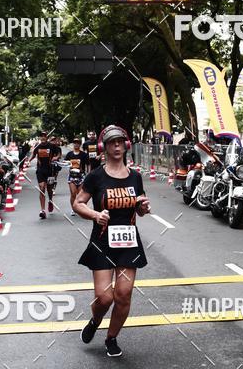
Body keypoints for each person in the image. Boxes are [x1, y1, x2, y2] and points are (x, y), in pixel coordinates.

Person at [73, 125, 151, 357]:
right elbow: (78, 203)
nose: (116, 146)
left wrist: (143, 208)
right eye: (111, 142)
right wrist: (95, 215)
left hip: (128, 242)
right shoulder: (96, 176)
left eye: (120, 142)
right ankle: (95, 320)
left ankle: (111, 338)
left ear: (126, 146)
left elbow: (140, 208)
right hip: (102, 241)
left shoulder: (135, 177)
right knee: (105, 297)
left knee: (123, 295)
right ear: (104, 147)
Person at [29, 131, 58, 219]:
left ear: (47, 137)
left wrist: (56, 157)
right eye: (41, 136)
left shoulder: (52, 146)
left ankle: (50, 201)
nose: (43, 137)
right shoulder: (37, 146)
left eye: (44, 136)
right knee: (42, 188)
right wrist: (28, 161)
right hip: (40, 170)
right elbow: (33, 155)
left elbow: (58, 154)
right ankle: (42, 210)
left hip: (50, 171)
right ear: (40, 137)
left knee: (49, 189)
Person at [64, 138, 89, 216]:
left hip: (81, 176)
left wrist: (89, 173)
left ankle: (81, 208)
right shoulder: (69, 154)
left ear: (80, 144)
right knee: (73, 193)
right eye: (75, 143)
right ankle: (73, 208)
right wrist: (67, 163)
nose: (76, 144)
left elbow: (88, 164)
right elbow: (65, 162)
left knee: (80, 194)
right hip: (72, 176)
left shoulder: (83, 154)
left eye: (78, 143)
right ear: (73, 144)